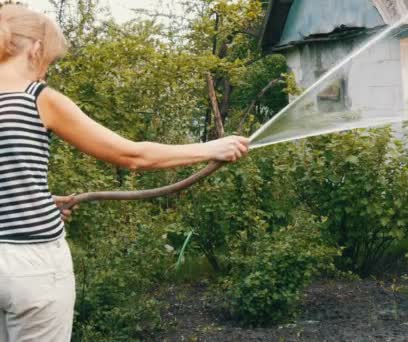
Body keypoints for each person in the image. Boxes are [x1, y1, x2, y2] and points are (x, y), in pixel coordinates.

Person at [0, 4, 249, 341]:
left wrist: (33, 200)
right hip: (33, 265)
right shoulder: (37, 98)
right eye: (49, 62)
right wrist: (211, 148)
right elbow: (131, 155)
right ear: (36, 49)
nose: (46, 71)